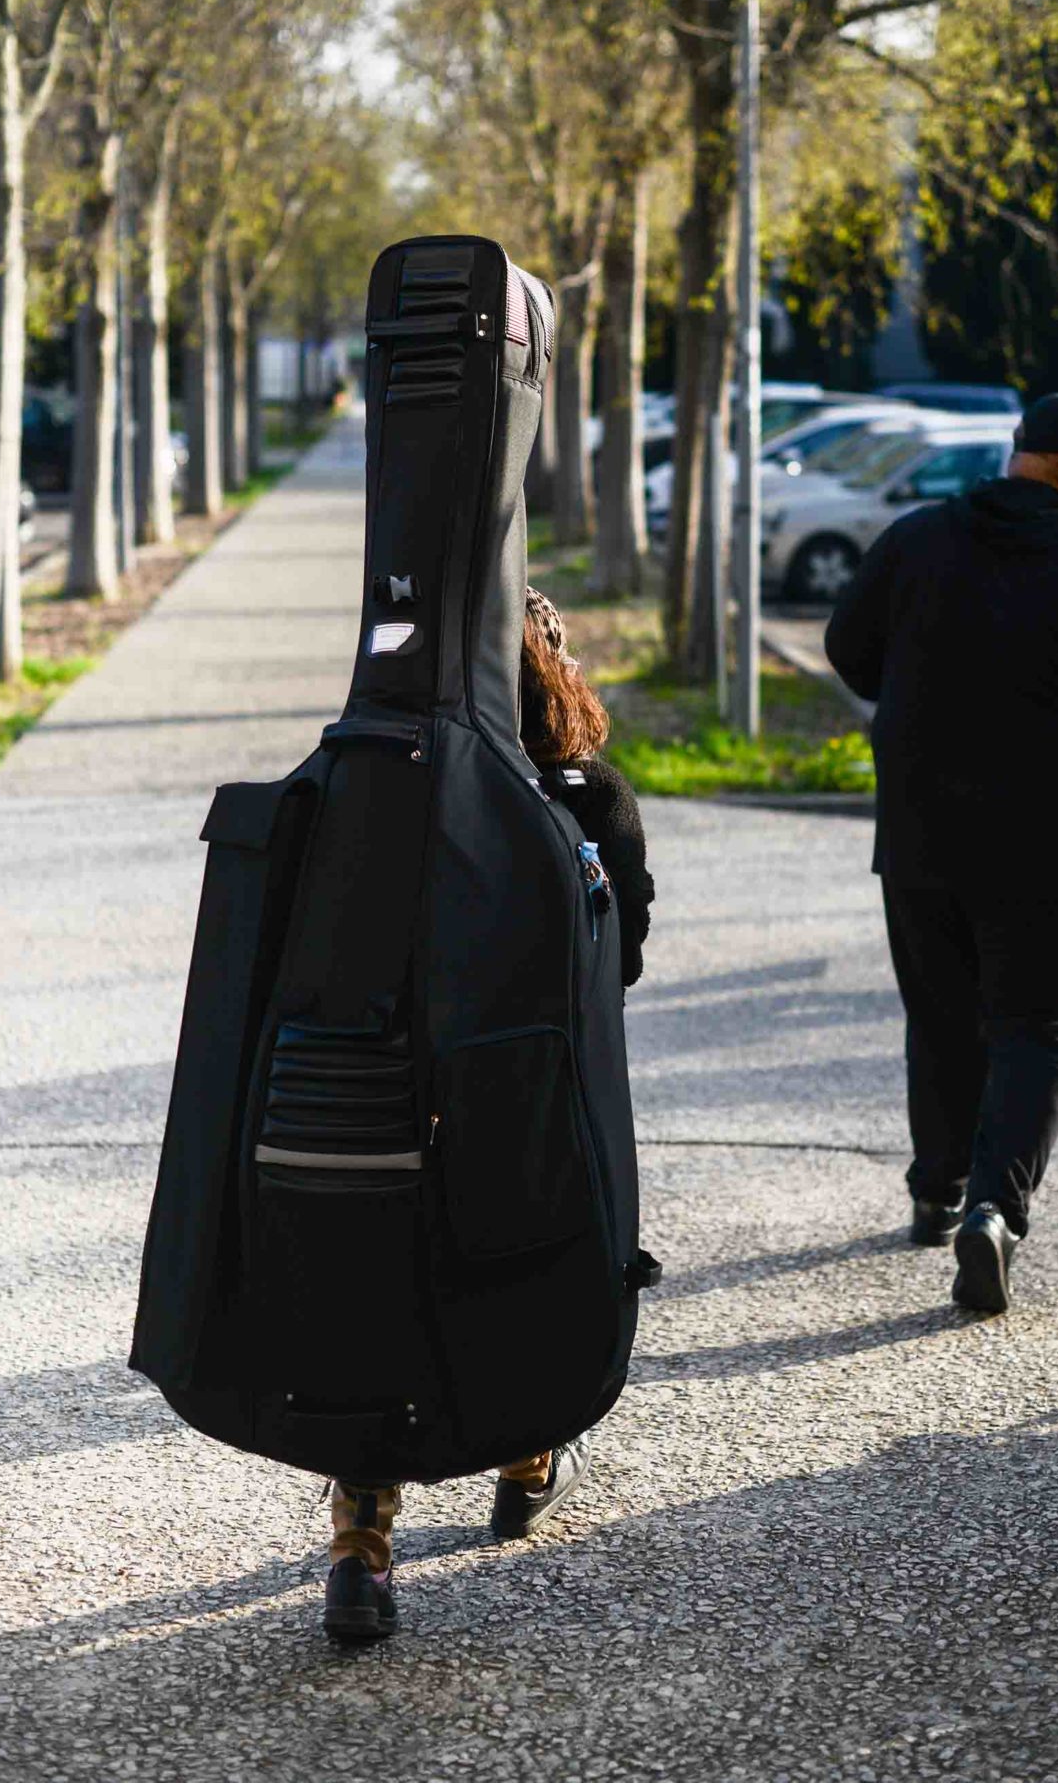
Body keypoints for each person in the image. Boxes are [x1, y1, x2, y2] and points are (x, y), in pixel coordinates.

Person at [323, 585, 655, 1640]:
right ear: (548, 670)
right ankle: (528, 1458)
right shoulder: (587, 795)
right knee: (523, 1272)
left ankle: (360, 1552)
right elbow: (620, 959)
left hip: (381, 1095)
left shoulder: (372, 773)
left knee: (380, 1302)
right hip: (523, 1098)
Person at [825, 391, 1058, 1314]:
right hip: (1049, 857)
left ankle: (934, 1191)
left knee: (939, 1017)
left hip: (918, 842)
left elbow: (846, 648)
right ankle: (992, 1211)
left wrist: (916, 696)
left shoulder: (915, 540)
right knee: (1036, 1030)